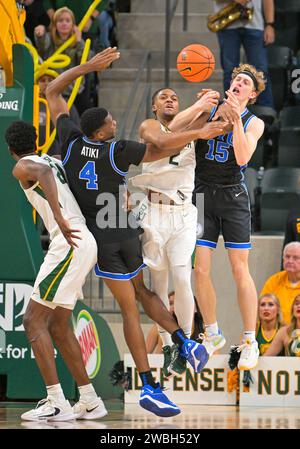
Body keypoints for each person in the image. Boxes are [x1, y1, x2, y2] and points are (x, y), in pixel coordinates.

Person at [45, 47, 215, 417]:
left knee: (130, 310)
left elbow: (52, 93)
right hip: (124, 228)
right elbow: (162, 146)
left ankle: (150, 385)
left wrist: (87, 67)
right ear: (101, 129)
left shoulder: (72, 142)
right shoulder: (117, 151)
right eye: (110, 122)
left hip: (101, 234)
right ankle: (184, 342)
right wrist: (201, 130)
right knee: (143, 293)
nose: (115, 124)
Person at [5, 121, 106, 422]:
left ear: (10, 150)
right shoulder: (53, 158)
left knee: (32, 319)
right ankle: (89, 400)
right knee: (59, 325)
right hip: (84, 240)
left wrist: (60, 218)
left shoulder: (24, 166)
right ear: (36, 140)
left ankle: (57, 401)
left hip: (69, 240)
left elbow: (42, 174)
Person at [131, 87, 222, 376]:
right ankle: (170, 343)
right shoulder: (148, 126)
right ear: (154, 107)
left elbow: (211, 117)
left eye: (174, 97)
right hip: (153, 212)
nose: (170, 100)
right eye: (163, 98)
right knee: (158, 286)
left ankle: (183, 346)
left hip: (183, 212)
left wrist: (210, 100)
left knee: (183, 277)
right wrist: (198, 117)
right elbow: (163, 138)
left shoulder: (192, 125)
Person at [191, 63, 266, 370]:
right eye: (236, 79)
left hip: (233, 196)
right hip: (202, 194)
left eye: (245, 82)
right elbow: (180, 132)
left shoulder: (254, 122)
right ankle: (211, 332)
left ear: (253, 94)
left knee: (239, 269)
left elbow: (243, 157)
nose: (239, 83)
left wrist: (235, 120)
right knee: (200, 269)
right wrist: (199, 107)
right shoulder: (209, 106)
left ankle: (250, 341)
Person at [211, 0, 274, 108]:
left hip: (255, 24)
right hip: (227, 25)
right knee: (230, 71)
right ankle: (230, 110)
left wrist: (269, 24)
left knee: (260, 71)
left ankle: (266, 112)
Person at [34, 6, 93, 114]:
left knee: (88, 111)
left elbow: (85, 62)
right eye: (60, 21)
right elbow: (42, 45)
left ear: (73, 24)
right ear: (55, 24)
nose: (64, 23)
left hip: (73, 91)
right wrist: (39, 34)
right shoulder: (49, 39)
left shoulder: (79, 42)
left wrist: (79, 41)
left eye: (67, 20)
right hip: (53, 90)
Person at [38, 70, 80, 155]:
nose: (46, 83)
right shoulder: (32, 103)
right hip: (36, 153)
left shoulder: (67, 104)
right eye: (42, 80)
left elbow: (76, 128)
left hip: (59, 154)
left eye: (50, 80)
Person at [260, 242, 300, 325]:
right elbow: (261, 308)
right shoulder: (274, 281)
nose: (290, 261)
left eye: (295, 258)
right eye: (287, 257)